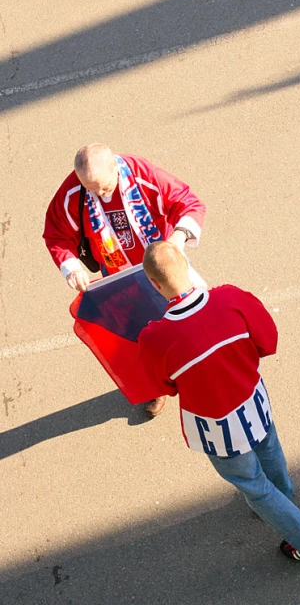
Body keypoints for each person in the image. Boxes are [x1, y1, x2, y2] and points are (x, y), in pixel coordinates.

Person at [138, 241, 300, 562]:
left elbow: (164, 387)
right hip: (253, 399)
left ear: (154, 285)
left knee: (252, 485)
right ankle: (283, 496)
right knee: (269, 449)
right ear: (186, 262)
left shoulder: (154, 337)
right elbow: (268, 341)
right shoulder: (231, 298)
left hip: (216, 427)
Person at [43, 143, 206, 417]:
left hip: (163, 268)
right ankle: (155, 386)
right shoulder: (74, 191)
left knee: (188, 322)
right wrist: (72, 268)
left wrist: (176, 239)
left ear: (115, 167)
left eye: (104, 188)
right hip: (118, 277)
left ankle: (199, 372)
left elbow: (188, 202)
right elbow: (56, 234)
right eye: (91, 190)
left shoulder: (143, 173)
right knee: (138, 336)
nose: (98, 194)